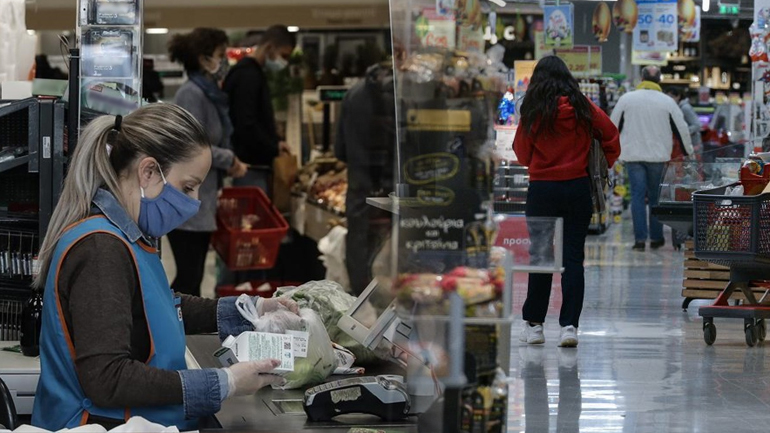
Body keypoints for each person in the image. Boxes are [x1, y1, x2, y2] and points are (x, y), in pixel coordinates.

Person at [31, 105, 301, 430]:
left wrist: (252, 308)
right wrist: (224, 382)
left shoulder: (130, 237)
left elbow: (158, 306)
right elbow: (107, 379)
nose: (195, 201)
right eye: (188, 187)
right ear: (148, 172)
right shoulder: (101, 250)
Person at [513, 56, 620, 348]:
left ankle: (535, 326)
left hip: (542, 191)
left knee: (541, 257)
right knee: (573, 258)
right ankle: (569, 326)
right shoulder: (583, 107)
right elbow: (611, 135)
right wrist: (601, 165)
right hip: (577, 189)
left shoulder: (533, 110)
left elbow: (521, 154)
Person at [167, 28, 249, 296]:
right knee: (189, 278)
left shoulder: (208, 93)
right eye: (220, 55)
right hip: (186, 204)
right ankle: (166, 329)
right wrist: (228, 159)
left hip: (201, 202)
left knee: (193, 276)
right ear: (204, 60)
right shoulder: (192, 94)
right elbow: (191, 145)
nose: (224, 61)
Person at [610, 66, 693, 251]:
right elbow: (682, 128)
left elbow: (612, 126)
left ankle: (639, 240)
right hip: (658, 156)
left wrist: (608, 152)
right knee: (656, 198)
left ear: (642, 78)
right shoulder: (667, 102)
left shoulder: (626, 99)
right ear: (660, 80)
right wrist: (689, 153)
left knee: (638, 197)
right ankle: (656, 238)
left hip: (633, 156)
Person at [335, 62, 395, 295]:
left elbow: (340, 150)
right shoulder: (402, 94)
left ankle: (360, 300)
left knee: (359, 241)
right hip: (394, 189)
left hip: (361, 187)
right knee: (392, 245)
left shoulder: (353, 94)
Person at [223, 25, 295, 193]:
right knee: (252, 216)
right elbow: (246, 123)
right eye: (283, 55)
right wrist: (272, 146)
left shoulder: (252, 73)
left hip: (253, 164)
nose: (284, 62)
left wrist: (276, 141)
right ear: (269, 47)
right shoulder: (248, 76)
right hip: (250, 166)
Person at [666, 86, 703, 158]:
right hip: (687, 146)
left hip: (692, 145)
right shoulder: (677, 107)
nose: (669, 99)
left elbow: (697, 125)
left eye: (671, 96)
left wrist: (683, 132)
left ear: (678, 96)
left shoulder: (685, 108)